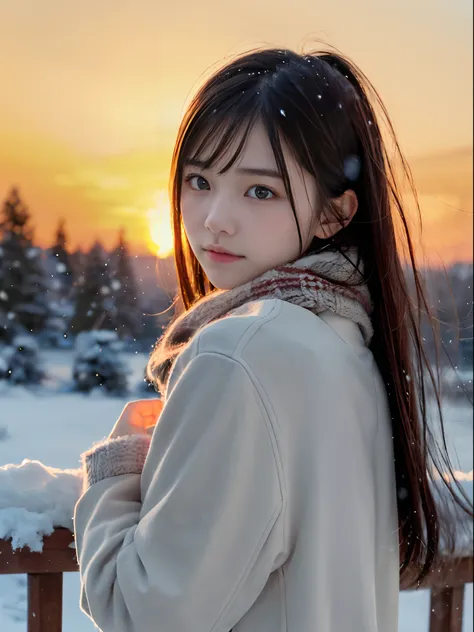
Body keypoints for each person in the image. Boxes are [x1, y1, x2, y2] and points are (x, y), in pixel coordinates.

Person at [74, 47, 472, 632]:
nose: (214, 218)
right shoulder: (346, 345)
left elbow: (147, 613)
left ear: (334, 214)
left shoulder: (239, 354)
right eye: (199, 180)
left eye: (260, 191)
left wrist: (116, 472)